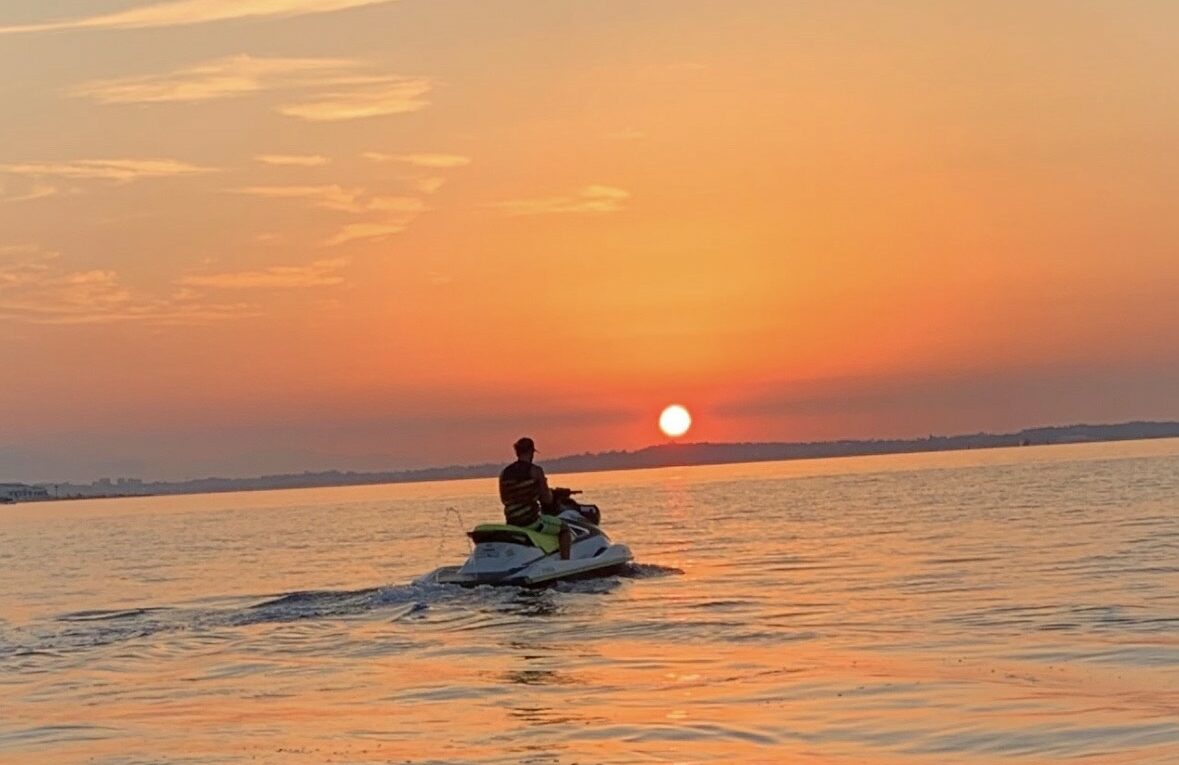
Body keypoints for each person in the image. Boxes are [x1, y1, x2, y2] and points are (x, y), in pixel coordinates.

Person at [498, 437, 571, 560]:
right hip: (530, 522)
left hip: (512, 522)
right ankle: (566, 563)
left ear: (517, 452)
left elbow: (504, 499)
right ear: (531, 452)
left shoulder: (504, 473)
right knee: (565, 529)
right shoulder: (536, 471)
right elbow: (547, 499)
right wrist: (554, 493)